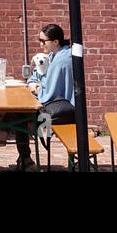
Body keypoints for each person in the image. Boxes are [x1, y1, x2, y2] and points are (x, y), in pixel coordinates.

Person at [14, 23, 77, 171]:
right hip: (55, 107)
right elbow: (37, 75)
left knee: (19, 117)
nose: (41, 44)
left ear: (55, 41)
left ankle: (25, 159)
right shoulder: (52, 55)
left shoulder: (62, 60)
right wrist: (33, 81)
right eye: (39, 40)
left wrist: (35, 90)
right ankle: (23, 158)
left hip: (62, 112)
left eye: (43, 41)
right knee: (19, 115)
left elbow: (49, 93)